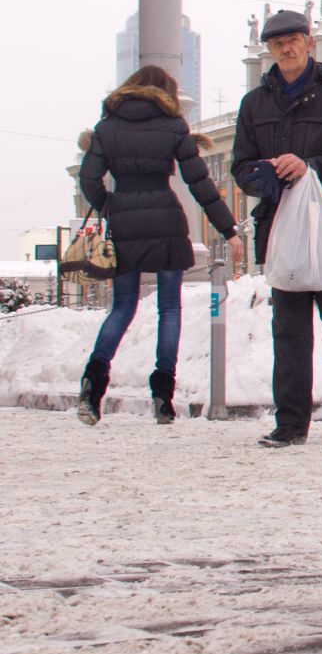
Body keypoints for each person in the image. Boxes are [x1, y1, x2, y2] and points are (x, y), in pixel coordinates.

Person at [231, 9, 322, 449]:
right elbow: (240, 169)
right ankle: (290, 424)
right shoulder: (255, 105)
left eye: (293, 40)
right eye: (276, 44)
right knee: (289, 330)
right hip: (280, 231)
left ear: (309, 43)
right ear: (268, 51)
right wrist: (268, 173)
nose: (285, 49)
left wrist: (308, 166)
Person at [75, 66, 244, 426]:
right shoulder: (173, 126)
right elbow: (199, 182)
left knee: (122, 307)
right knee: (170, 308)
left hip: (124, 222)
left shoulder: (106, 128)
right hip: (166, 218)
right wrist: (228, 229)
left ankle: (93, 382)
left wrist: (111, 206)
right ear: (166, 92)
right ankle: (163, 397)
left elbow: (88, 180)